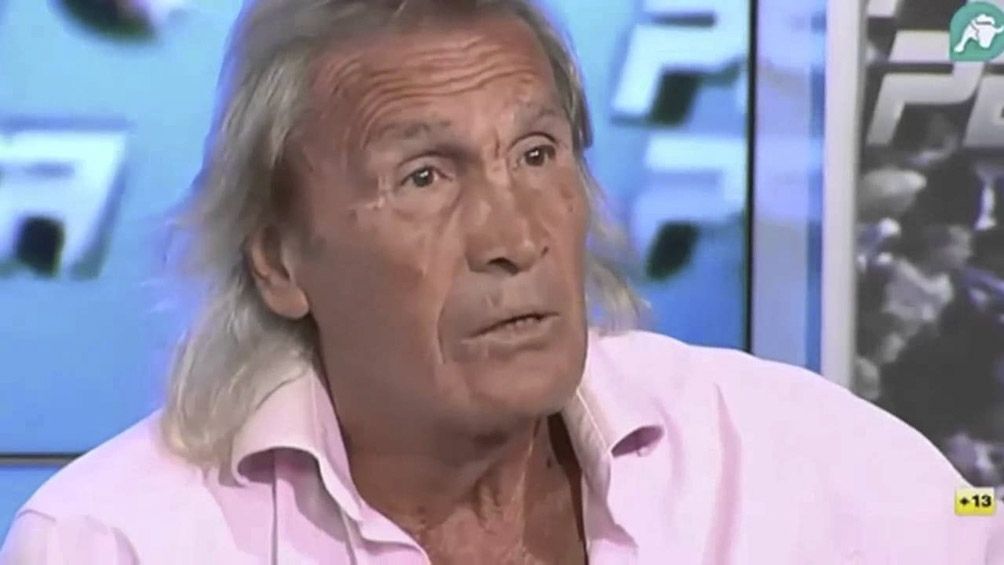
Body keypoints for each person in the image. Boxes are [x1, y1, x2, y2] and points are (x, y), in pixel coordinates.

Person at [2, 0, 1002, 563]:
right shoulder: (117, 539)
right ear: (278, 259)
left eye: (536, 154)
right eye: (424, 177)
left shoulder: (790, 451)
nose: (516, 237)